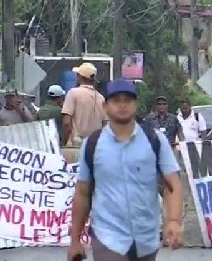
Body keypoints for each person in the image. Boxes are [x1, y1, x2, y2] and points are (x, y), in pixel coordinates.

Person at [69, 80, 183, 261]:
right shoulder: (93, 144)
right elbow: (83, 193)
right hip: (108, 237)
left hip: (146, 238)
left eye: (127, 100)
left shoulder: (155, 140)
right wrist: (75, 240)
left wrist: (174, 221)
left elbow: (173, 184)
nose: (122, 105)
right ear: (105, 106)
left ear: (135, 105)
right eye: (116, 100)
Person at [62, 62, 108, 146]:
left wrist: (64, 142)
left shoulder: (73, 93)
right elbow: (105, 125)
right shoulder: (101, 98)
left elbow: (67, 122)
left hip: (75, 145)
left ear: (80, 77)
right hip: (95, 146)